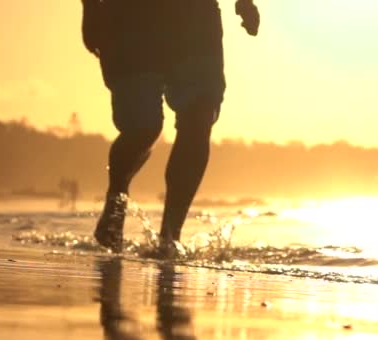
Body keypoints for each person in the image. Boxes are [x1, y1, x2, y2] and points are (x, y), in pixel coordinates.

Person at [82, 0, 260, 256]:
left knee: (199, 118)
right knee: (142, 128)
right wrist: (90, 8)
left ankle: (169, 237)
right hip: (128, 18)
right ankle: (116, 195)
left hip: (194, 17)